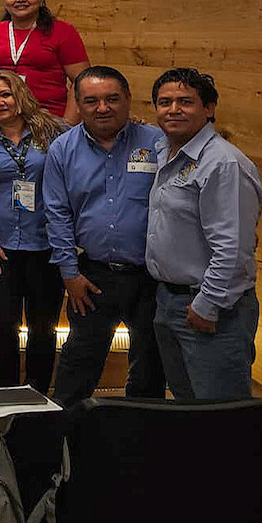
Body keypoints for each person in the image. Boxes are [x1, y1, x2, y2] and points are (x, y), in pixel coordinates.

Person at [44, 66, 166, 406]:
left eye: (112, 99)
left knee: (149, 370)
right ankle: (66, 433)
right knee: (77, 368)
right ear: (78, 104)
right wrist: (69, 274)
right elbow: (57, 214)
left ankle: (140, 433)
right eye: (91, 101)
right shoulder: (62, 150)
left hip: (152, 278)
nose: (102, 108)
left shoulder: (158, 142)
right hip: (92, 278)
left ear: (128, 100)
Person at [146, 68, 262, 400]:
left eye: (185, 102)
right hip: (168, 301)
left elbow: (233, 249)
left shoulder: (223, 164)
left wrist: (207, 305)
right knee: (188, 407)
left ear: (209, 109)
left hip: (212, 307)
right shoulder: (165, 151)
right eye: (165, 102)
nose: (173, 110)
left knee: (220, 412)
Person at [0, 70, 67, 393]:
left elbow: (91, 135)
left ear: (20, 95)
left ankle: (37, 393)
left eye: (5, 94)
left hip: (45, 244)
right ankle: (6, 393)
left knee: (44, 326)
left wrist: (132, 126)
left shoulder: (52, 130)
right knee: (3, 323)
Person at [0, 0, 89, 123]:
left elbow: (81, 80)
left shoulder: (63, 31)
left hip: (49, 121)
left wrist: (67, 125)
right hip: (0, 121)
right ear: (5, 0)